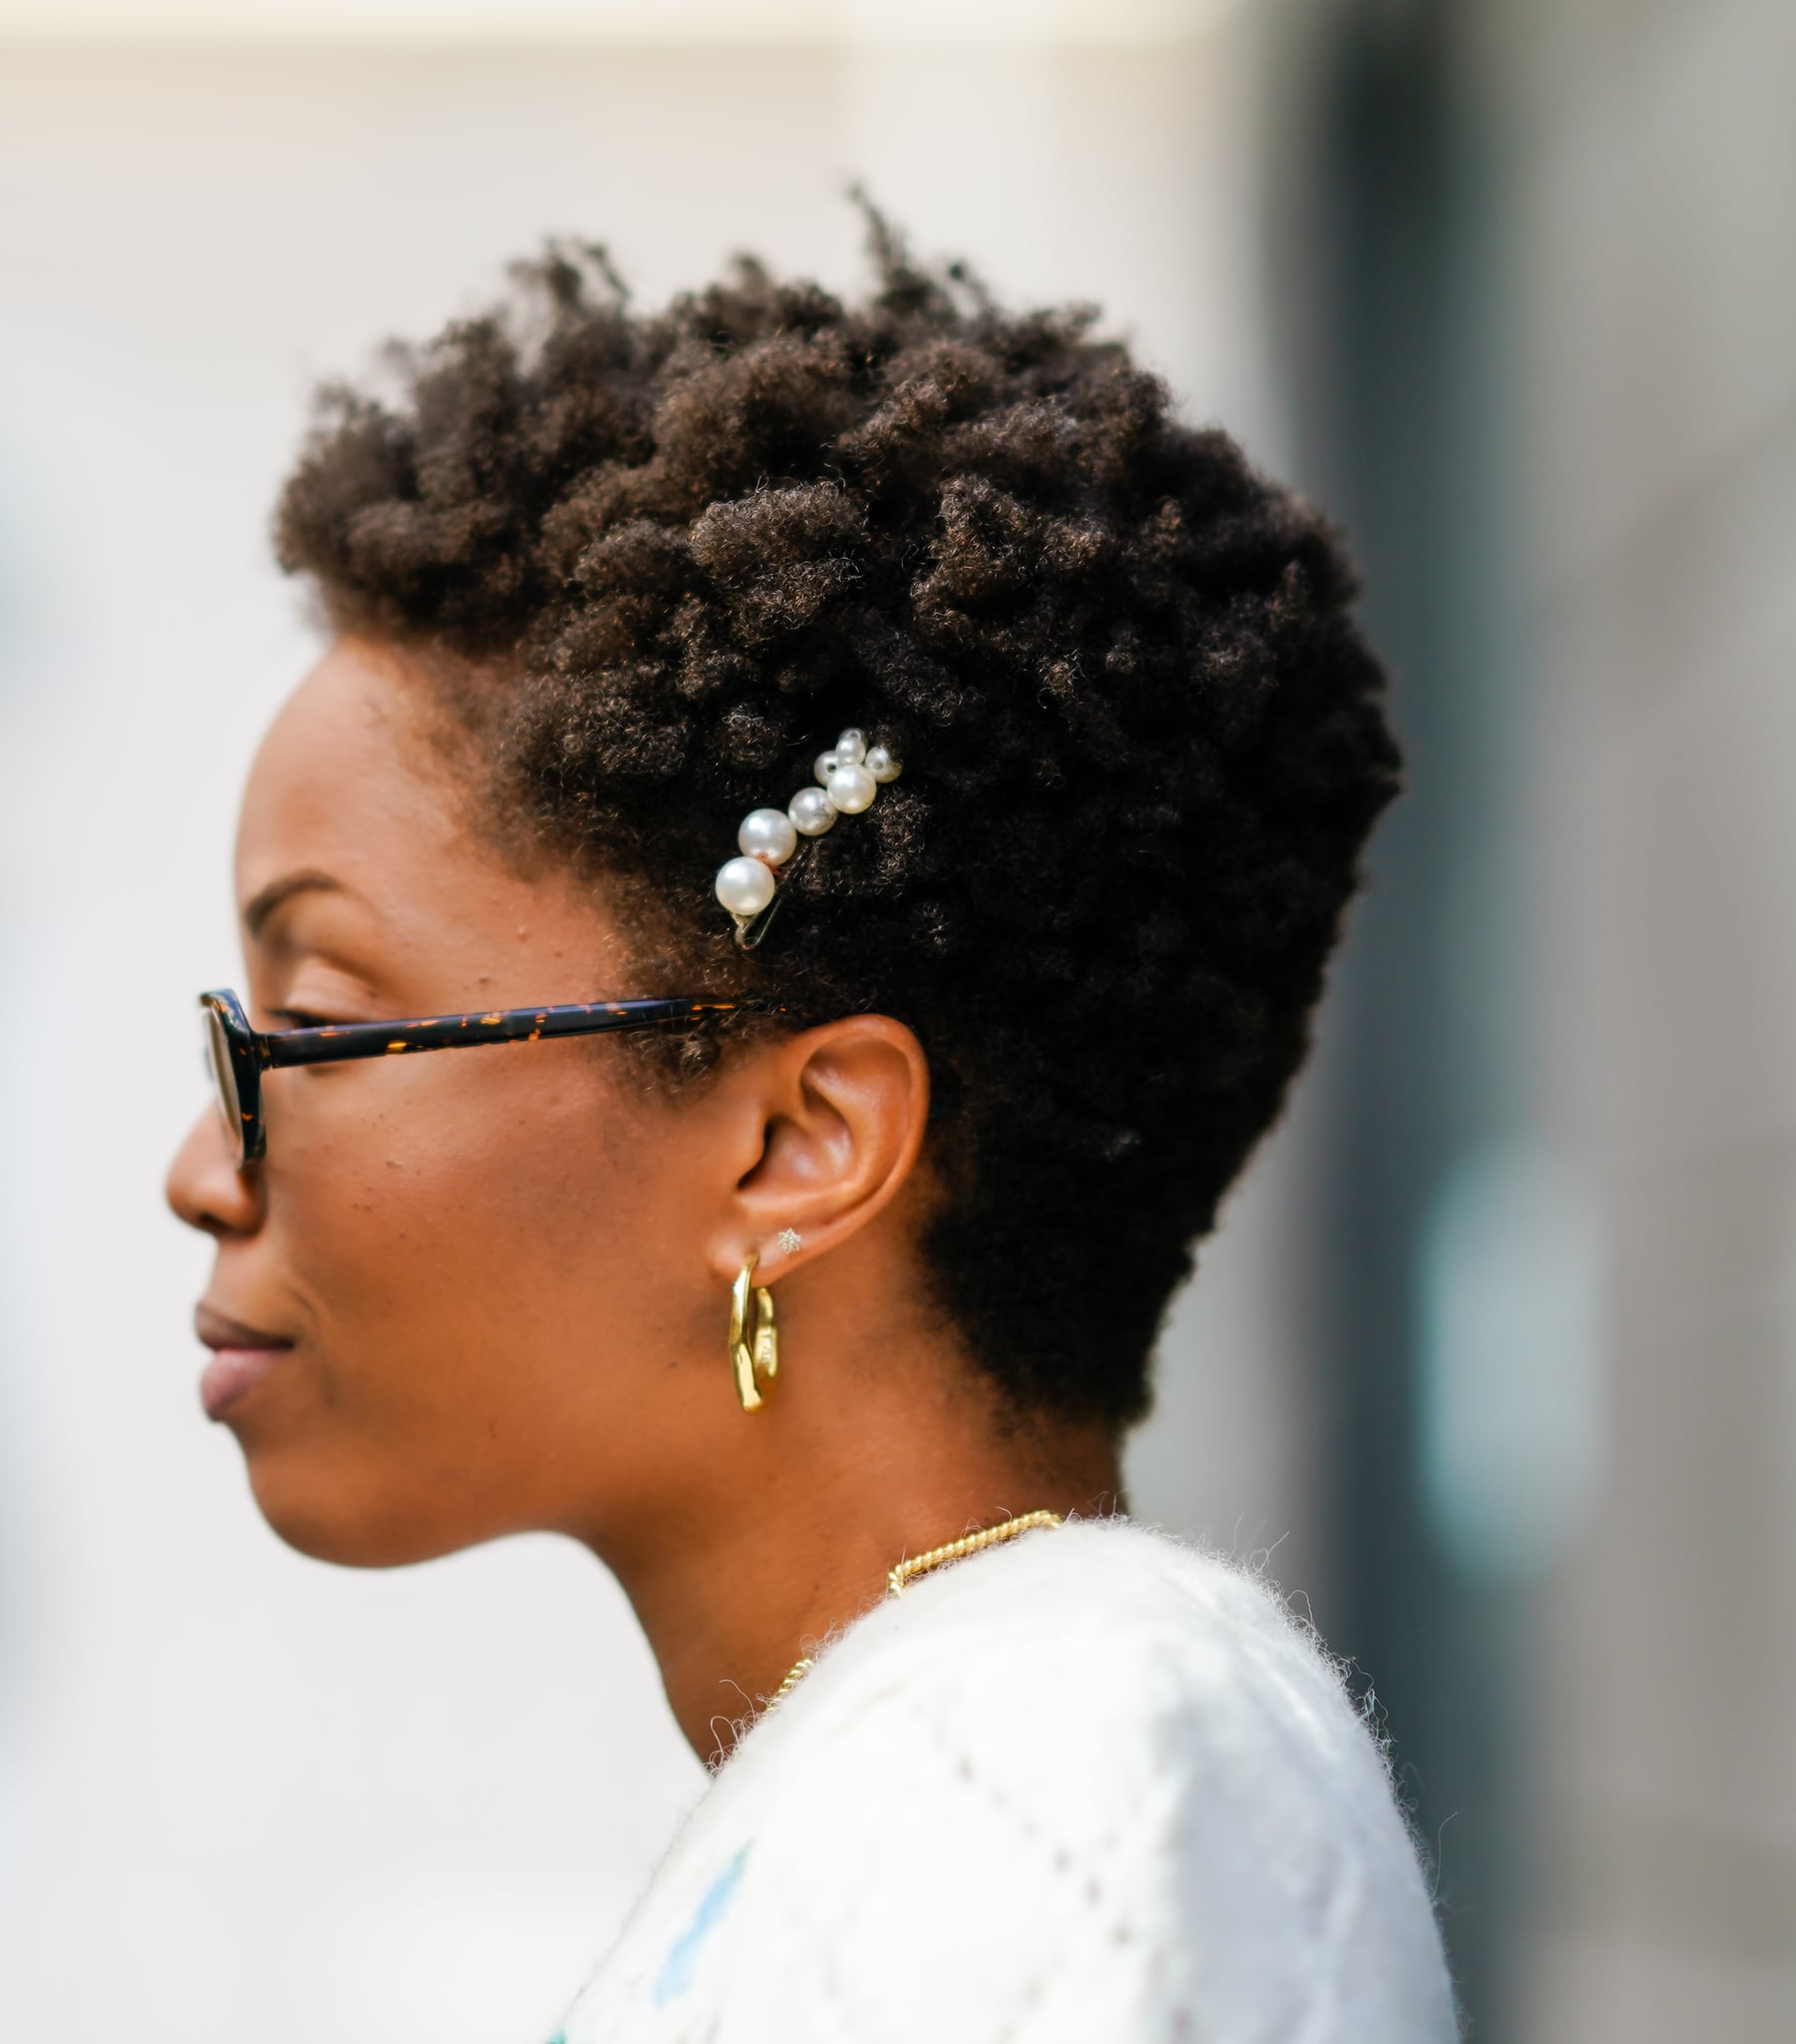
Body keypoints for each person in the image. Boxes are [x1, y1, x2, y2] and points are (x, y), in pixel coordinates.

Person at [165, 218, 1459, 2042]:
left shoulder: (1066, 1783)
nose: (203, 1169)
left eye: (309, 1024)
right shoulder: (950, 1756)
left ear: (799, 1146)